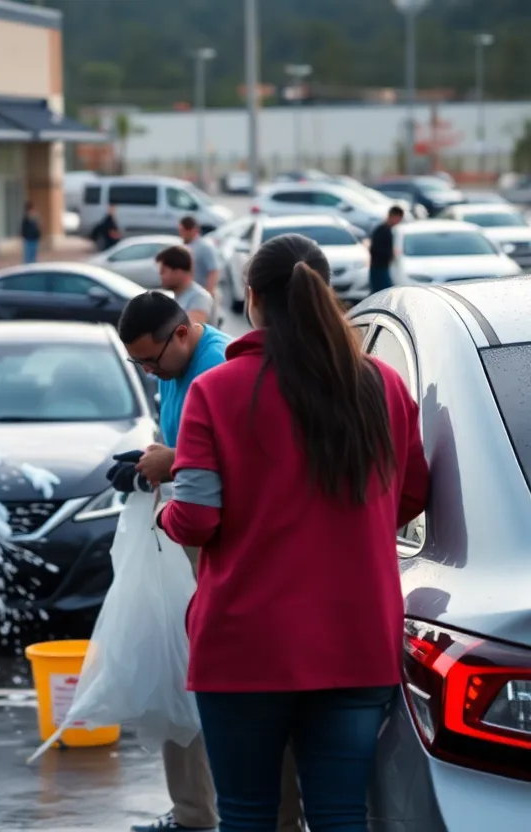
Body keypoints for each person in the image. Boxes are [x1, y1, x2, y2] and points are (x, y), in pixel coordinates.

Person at [157, 234, 430, 832]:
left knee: (250, 815)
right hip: (357, 641)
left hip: (245, 647)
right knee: (341, 815)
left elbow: (196, 519)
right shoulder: (380, 385)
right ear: (325, 292)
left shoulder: (216, 391)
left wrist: (163, 515)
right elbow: (412, 494)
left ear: (251, 298)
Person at [110, 292, 306, 832]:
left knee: (221, 684)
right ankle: (195, 811)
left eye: (151, 361)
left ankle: (249, 813)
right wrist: (154, 460)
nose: (149, 372)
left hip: (221, 543)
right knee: (181, 668)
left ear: (182, 333)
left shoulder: (218, 369)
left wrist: (170, 466)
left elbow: (236, 468)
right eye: (138, 365)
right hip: (192, 530)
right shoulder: (171, 369)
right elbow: (184, 446)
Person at [155, 246, 214, 326]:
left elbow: (188, 332)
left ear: (178, 272)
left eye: (163, 271)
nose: (160, 275)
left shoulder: (199, 298)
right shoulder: (177, 297)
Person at [177, 216, 221, 324]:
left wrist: (208, 295)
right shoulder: (185, 246)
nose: (181, 233)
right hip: (190, 295)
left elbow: (214, 271)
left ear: (192, 230)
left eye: (183, 230)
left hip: (202, 296)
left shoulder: (204, 247)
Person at [369, 205, 404, 294]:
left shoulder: (388, 230)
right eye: (399, 218)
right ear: (393, 216)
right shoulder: (381, 230)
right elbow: (374, 249)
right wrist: (390, 253)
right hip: (379, 268)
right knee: (382, 294)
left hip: (384, 267)